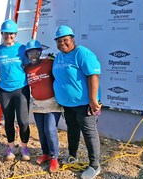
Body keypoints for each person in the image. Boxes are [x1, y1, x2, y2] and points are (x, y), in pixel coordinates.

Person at [52, 25, 102, 179]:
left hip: (84, 103)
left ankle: (95, 166)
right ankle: (72, 155)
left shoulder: (82, 53)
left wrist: (93, 100)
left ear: (72, 39)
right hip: (68, 104)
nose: (62, 43)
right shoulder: (59, 56)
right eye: (59, 41)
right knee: (72, 130)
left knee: (89, 133)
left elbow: (93, 76)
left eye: (65, 40)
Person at [0, 19, 31, 161]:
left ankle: (24, 147)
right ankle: (11, 147)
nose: (8, 36)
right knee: (8, 120)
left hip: (21, 89)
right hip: (5, 90)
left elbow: (29, 65)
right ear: (2, 33)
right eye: (6, 33)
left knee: (23, 121)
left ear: (15, 34)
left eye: (11, 34)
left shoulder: (22, 49)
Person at [24, 40, 63, 173]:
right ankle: (45, 154)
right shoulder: (27, 68)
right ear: (27, 54)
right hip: (36, 103)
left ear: (40, 52)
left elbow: (62, 71)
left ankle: (54, 158)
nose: (33, 54)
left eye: (36, 51)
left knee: (50, 129)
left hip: (52, 102)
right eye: (30, 52)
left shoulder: (49, 63)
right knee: (41, 130)